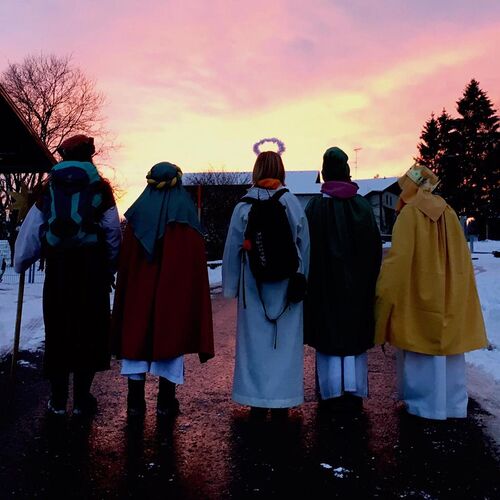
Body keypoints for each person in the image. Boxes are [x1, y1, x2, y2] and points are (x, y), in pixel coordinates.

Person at [14, 134, 121, 416]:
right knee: (90, 332)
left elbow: (32, 230)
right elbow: (112, 231)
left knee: (58, 331)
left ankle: (58, 399)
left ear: (63, 156)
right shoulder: (100, 189)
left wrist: (21, 262)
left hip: (59, 270)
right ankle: (82, 400)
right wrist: (109, 266)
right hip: (92, 271)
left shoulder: (49, 189)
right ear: (90, 156)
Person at [375, 164, 488, 420]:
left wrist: (384, 294)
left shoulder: (409, 214)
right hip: (450, 295)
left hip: (418, 296)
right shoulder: (448, 211)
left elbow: (398, 262)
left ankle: (424, 406)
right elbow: (461, 257)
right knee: (450, 356)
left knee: (421, 354)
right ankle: (453, 404)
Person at [112, 162, 214, 418]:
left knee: (136, 336)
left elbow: (126, 260)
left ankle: (135, 402)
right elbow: (194, 262)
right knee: (171, 336)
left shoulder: (137, 215)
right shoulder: (186, 215)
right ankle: (166, 402)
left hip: (138, 291)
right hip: (174, 294)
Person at [222, 150, 310, 421]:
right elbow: (304, 243)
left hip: (253, 286)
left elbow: (232, 248)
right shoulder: (291, 202)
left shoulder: (244, 206)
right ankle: (283, 400)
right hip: (286, 284)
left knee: (255, 346)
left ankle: (257, 401)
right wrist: (303, 278)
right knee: (284, 345)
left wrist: (231, 287)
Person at [304, 147, 382, 412]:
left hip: (324, 287)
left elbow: (306, 248)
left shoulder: (315, 207)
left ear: (325, 172)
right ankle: (354, 390)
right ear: (347, 171)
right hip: (357, 288)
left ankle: (330, 391)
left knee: (328, 337)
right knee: (354, 337)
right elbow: (374, 249)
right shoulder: (361, 206)